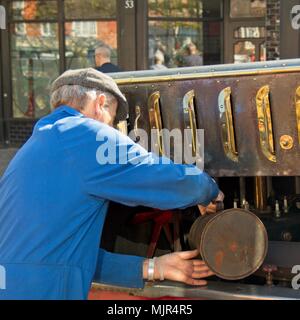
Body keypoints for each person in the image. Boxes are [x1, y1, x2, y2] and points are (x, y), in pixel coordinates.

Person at [0, 68, 223, 300]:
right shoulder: (85, 134)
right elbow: (154, 174)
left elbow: (69, 254)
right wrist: (208, 190)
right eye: (112, 119)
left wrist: (154, 267)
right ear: (100, 103)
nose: (112, 128)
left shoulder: (35, 146)